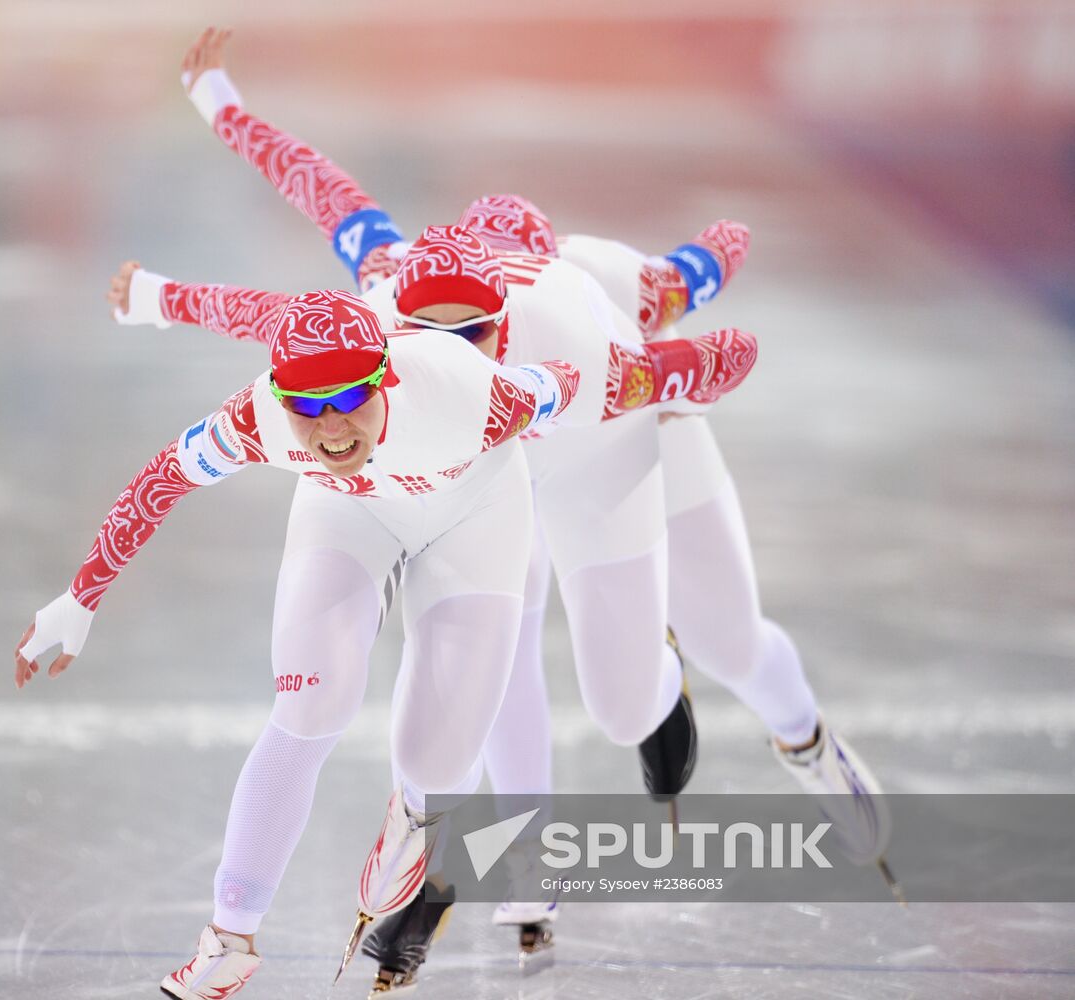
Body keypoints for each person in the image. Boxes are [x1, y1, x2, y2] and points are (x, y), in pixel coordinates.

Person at [168, 28, 894, 987]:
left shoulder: (588, 318)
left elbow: (713, 286)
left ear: (517, 303)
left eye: (476, 330)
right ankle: (525, 864)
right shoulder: (390, 291)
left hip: (620, 445)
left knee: (671, 668)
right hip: (519, 467)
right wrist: (216, 98)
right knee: (491, 641)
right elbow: (322, 189)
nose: (455, 349)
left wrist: (683, 376)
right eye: (435, 332)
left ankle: (799, 735)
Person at [18, 285, 755, 998]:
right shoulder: (254, 422)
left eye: (348, 402)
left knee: (435, 763)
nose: (331, 429)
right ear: (278, 398)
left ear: (386, 378)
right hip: (350, 516)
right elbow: (158, 482)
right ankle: (227, 939)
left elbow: (593, 381)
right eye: (306, 408)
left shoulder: (473, 395)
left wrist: (698, 367)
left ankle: (415, 810)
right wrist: (79, 598)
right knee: (309, 705)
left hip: (476, 514)